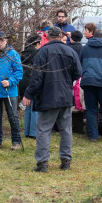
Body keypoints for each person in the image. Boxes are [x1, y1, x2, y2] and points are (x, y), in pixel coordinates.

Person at [22, 26, 82, 172]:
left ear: (47, 36)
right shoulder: (70, 51)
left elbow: (36, 77)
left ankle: (43, 163)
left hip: (48, 96)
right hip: (65, 95)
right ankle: (66, 160)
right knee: (66, 129)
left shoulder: (43, 52)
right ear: (61, 36)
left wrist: (28, 94)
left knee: (43, 130)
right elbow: (78, 72)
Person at [80, 28, 102, 141]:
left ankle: (93, 136)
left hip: (88, 82)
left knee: (91, 110)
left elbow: (80, 63)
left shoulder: (85, 48)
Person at [19, 34, 42, 139]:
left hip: (23, 82)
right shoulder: (37, 54)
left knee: (27, 107)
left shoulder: (23, 54)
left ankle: (27, 131)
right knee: (34, 108)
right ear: (37, 43)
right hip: (32, 82)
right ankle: (34, 132)